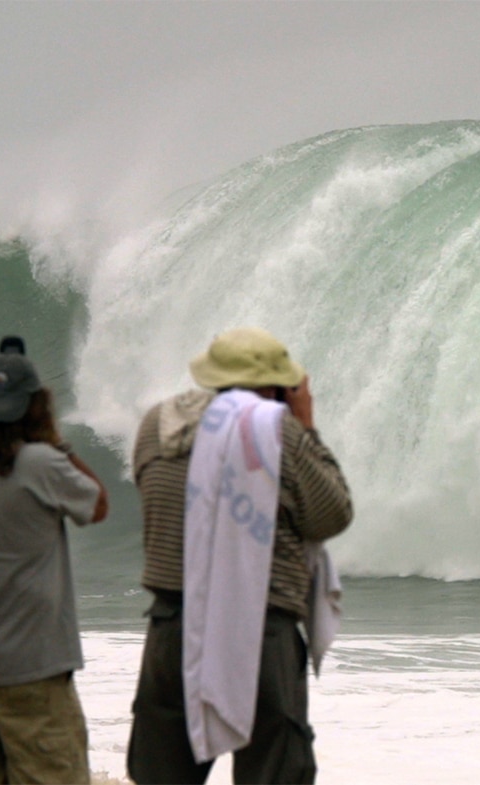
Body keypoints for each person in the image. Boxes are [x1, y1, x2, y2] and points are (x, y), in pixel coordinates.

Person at [126, 327, 353, 785]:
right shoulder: (280, 432)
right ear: (276, 387)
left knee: (162, 775)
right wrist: (306, 425)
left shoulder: (158, 424)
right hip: (261, 630)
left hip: (172, 627)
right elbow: (331, 514)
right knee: (274, 771)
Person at [0, 337, 110, 784]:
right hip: (31, 667)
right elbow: (97, 505)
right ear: (35, 407)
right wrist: (56, 442)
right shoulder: (42, 464)